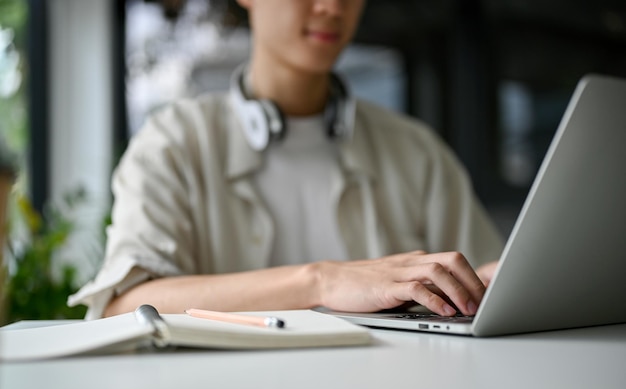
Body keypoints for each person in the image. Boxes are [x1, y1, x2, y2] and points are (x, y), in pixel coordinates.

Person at [68, 0, 503, 320]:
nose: (333, 7)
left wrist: (497, 281)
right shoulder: (173, 145)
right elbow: (122, 310)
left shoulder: (417, 152)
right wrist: (322, 282)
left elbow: (478, 275)